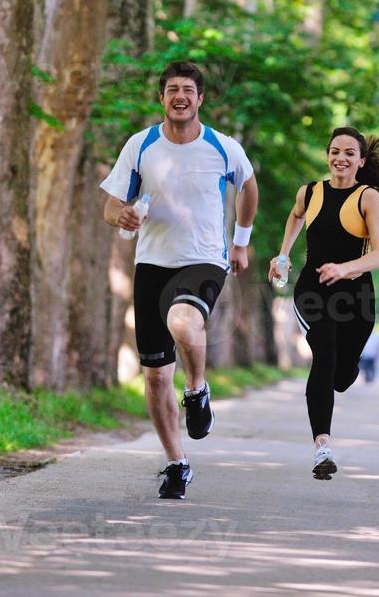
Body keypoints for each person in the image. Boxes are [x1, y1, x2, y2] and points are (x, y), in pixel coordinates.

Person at [101, 62, 258, 499]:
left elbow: (248, 187)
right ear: (162, 97)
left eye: (188, 90)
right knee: (153, 377)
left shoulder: (222, 147)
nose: (180, 97)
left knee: (184, 323)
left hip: (205, 258)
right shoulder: (141, 145)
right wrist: (123, 213)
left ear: (200, 98)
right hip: (152, 263)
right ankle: (176, 463)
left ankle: (196, 388)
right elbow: (111, 205)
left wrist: (240, 244)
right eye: (172, 90)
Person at [270, 126, 379, 480]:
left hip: (356, 298)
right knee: (324, 353)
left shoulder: (368, 197)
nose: (340, 158)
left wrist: (345, 269)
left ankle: (346, 368)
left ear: (361, 161)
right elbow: (296, 215)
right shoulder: (310, 191)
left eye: (349, 153)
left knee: (341, 376)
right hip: (312, 290)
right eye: (334, 152)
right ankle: (322, 447)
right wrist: (283, 255)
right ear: (327, 155)